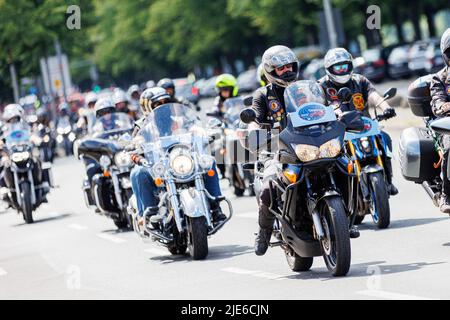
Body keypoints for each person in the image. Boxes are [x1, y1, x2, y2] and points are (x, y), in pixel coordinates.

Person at [130, 87, 226, 228]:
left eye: (165, 102)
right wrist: (137, 152)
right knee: (137, 173)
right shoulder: (142, 126)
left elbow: (195, 126)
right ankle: (149, 213)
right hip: (159, 166)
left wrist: (202, 132)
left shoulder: (180, 119)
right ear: (147, 107)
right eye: (157, 104)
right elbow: (133, 147)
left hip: (183, 160)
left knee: (209, 162)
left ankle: (215, 205)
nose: (162, 106)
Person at [318, 47, 398, 196]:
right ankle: (334, 190)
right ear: (329, 68)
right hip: (337, 130)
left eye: (344, 65)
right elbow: (327, 105)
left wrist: (386, 107)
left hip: (364, 126)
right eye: (337, 67)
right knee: (328, 157)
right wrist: (336, 114)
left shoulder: (359, 80)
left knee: (385, 138)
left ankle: (388, 181)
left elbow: (373, 95)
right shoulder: (322, 85)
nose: (342, 70)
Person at [248, 45, 301, 255]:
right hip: (275, 150)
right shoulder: (262, 95)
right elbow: (254, 117)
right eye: (281, 68)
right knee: (269, 188)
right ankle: (264, 233)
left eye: (289, 66)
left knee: (341, 165)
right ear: (270, 70)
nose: (287, 70)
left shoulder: (305, 88)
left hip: (306, 145)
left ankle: (346, 218)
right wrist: (253, 130)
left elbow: (324, 106)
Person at [430, 28, 450, 213]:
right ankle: (446, 194)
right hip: (447, 125)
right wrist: (445, 106)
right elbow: (437, 103)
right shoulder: (439, 78)